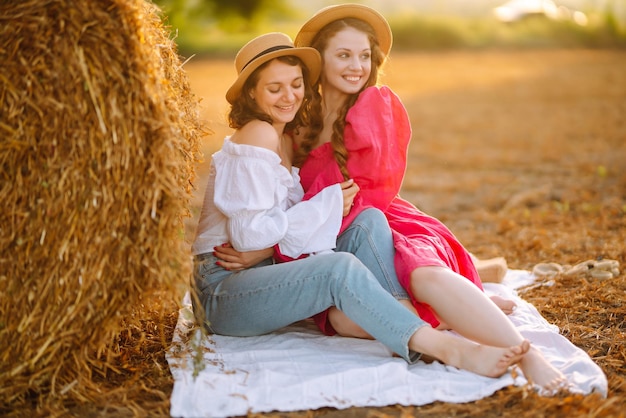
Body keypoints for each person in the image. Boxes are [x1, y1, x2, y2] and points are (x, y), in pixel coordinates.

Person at [191, 32, 530, 378]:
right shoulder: (257, 134)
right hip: (223, 292)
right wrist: (327, 203)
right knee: (337, 270)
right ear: (251, 92)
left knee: (366, 220)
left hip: (259, 275)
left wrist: (318, 215)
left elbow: (272, 233)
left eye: (295, 84)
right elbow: (249, 238)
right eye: (274, 88)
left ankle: (406, 316)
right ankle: (450, 349)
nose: (289, 96)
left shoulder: (281, 136)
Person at [291, 4, 567, 392]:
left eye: (365, 56)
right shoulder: (300, 119)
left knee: (421, 272)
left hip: (379, 222)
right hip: (322, 243)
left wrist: (327, 219)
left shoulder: (373, 104)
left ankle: (527, 354)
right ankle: (449, 309)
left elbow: (378, 189)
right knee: (342, 321)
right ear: (320, 60)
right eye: (343, 55)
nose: (357, 66)